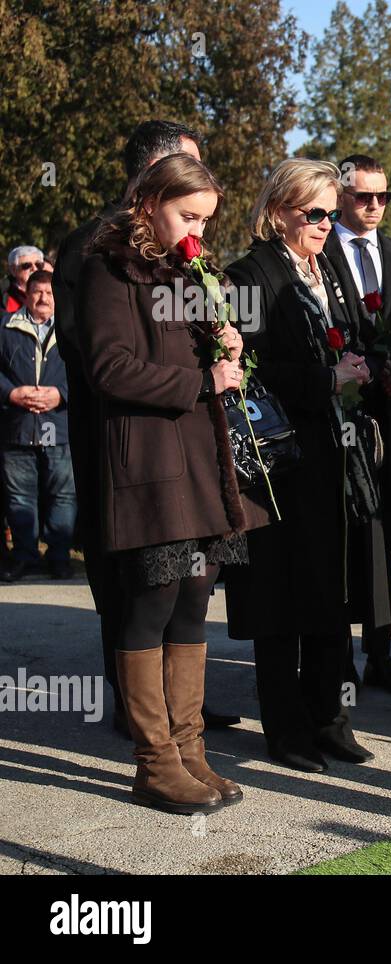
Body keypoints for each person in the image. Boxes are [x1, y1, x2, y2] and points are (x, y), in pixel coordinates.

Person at [77, 153, 265, 813]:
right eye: (189, 216)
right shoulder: (109, 267)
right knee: (151, 604)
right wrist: (199, 380)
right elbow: (110, 367)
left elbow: (194, 351)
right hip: (149, 460)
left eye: (206, 221)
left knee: (193, 600)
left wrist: (226, 347)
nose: (199, 233)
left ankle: (190, 752)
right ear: (149, 201)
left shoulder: (193, 269)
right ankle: (154, 762)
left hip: (199, 457)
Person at [223, 158, 388, 772]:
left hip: (334, 452)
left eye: (329, 212)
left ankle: (329, 717)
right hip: (279, 461)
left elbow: (353, 336)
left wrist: (361, 369)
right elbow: (249, 373)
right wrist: (327, 378)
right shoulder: (249, 273)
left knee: (327, 588)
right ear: (278, 211)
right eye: (311, 213)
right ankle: (285, 726)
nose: (324, 223)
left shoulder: (331, 267)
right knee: (279, 595)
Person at [52, 120, 211, 735]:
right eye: (187, 169)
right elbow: (95, 357)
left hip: (175, 432)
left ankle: (179, 716)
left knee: (182, 583)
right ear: (152, 174)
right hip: (117, 435)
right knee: (131, 579)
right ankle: (137, 715)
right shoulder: (97, 248)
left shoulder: (172, 251)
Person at [323, 153, 391, 698]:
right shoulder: (320, 249)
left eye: (383, 197)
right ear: (340, 196)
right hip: (335, 408)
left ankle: (380, 653)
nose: (375, 207)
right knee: (340, 535)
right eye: (364, 197)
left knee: (381, 533)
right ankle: (337, 659)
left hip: (386, 415)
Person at [0, 271, 76, 581]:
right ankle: (25, 557)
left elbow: (88, 371)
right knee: (20, 498)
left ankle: (59, 558)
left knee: (63, 497)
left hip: (59, 427)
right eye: (37, 292)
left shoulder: (72, 332)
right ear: (26, 294)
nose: (43, 298)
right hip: (18, 427)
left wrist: (61, 394)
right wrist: (10, 393)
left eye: (48, 292)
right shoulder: (5, 328)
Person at [5, 246, 43, 315]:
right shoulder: (5, 297)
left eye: (38, 265)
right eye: (27, 265)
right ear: (13, 270)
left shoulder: (54, 291)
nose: (34, 269)